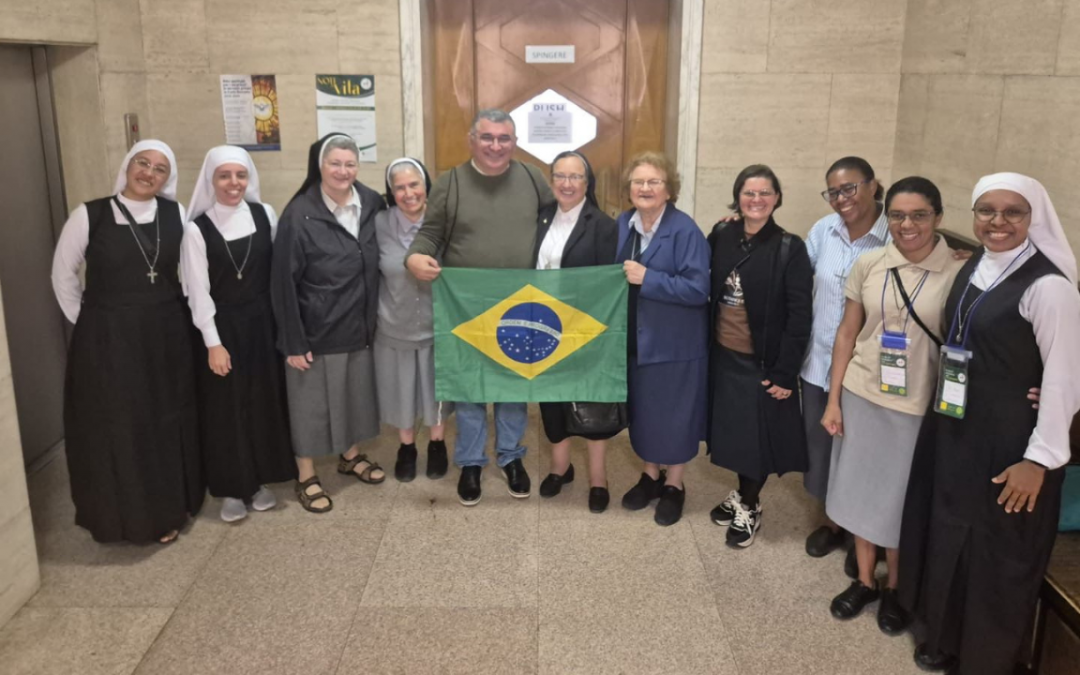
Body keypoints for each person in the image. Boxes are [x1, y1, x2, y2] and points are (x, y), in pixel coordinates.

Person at [899, 173, 1080, 675]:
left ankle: (985, 658)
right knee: (951, 533)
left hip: (1011, 445)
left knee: (995, 554)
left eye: (1012, 212)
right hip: (958, 428)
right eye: (986, 211)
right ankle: (945, 636)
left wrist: (1037, 461)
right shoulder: (978, 262)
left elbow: (1066, 379)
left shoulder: (1049, 287)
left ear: (1033, 217)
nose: (997, 222)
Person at [819, 177, 964, 632]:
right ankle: (864, 580)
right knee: (861, 492)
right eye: (898, 215)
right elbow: (848, 333)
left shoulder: (960, 274)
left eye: (919, 215)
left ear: (938, 217)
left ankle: (899, 588)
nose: (907, 225)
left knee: (899, 502)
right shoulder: (869, 263)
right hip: (863, 393)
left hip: (916, 406)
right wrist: (834, 398)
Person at [51, 139, 203, 544]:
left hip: (164, 336)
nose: (148, 173)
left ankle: (165, 511)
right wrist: (90, 325)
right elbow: (63, 276)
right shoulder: (91, 215)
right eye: (142, 163)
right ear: (127, 166)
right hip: (107, 343)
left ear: (167, 179)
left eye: (159, 169)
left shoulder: (176, 214)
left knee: (162, 421)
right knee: (117, 424)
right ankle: (118, 517)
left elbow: (189, 278)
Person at [405, 109, 554, 506]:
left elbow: (560, 223)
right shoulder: (450, 183)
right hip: (465, 305)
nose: (495, 145)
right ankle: (470, 462)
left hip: (520, 305)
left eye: (504, 138)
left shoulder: (532, 179)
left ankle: (511, 457)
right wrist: (414, 258)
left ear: (515, 141)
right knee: (469, 387)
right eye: (487, 137)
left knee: (512, 385)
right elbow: (430, 233)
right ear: (472, 140)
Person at [271, 133, 386, 514]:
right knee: (311, 405)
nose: (343, 171)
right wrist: (292, 339)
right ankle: (305, 474)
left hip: (359, 322)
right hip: (316, 327)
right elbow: (282, 283)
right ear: (319, 166)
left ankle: (350, 455)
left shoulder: (370, 202)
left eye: (350, 164)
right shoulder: (299, 214)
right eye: (334, 163)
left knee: (353, 396)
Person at [181, 145, 296, 523]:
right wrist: (213, 343)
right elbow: (198, 292)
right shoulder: (197, 229)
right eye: (225, 176)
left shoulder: (266, 215)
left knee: (262, 401)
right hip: (222, 327)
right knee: (226, 409)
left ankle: (259, 480)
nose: (234, 183)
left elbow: (280, 273)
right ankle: (231, 487)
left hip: (263, 324)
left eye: (240, 175)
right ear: (211, 181)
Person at [706, 165, 812, 547]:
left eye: (765, 193)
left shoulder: (789, 247)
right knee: (732, 436)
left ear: (777, 198)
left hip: (761, 363)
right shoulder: (722, 234)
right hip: (723, 355)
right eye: (749, 193)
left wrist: (786, 373)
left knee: (756, 440)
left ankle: (749, 504)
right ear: (738, 197)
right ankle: (740, 494)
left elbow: (801, 315)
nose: (756, 200)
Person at [800, 157, 892, 564]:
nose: (841, 199)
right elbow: (795, 274)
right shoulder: (824, 230)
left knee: (863, 452)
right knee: (820, 448)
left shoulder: (897, 235)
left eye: (849, 188)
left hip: (869, 367)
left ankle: (864, 534)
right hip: (818, 359)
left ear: (873, 186)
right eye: (833, 192)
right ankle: (833, 522)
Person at [615, 151, 709, 526]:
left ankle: (674, 485)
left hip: (675, 344)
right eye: (638, 181)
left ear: (669, 190)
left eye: (654, 181)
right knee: (645, 413)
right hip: (637, 341)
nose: (645, 188)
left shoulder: (685, 230)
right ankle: (650, 476)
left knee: (674, 417)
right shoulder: (623, 224)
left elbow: (698, 289)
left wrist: (648, 278)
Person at [533, 151, 620, 513]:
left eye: (575, 177)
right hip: (541, 326)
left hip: (584, 330)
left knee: (591, 402)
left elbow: (606, 286)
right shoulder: (539, 217)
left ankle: (598, 478)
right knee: (552, 401)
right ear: (551, 180)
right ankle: (560, 468)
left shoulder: (602, 225)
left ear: (587, 183)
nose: (567, 184)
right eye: (560, 176)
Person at [373, 157, 451, 482]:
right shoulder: (378, 223)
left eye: (414, 185)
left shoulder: (444, 220)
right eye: (399, 187)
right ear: (391, 192)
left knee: (437, 391)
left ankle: (437, 443)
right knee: (400, 389)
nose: (408, 193)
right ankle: (406, 447)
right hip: (394, 323)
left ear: (425, 186)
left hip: (438, 326)